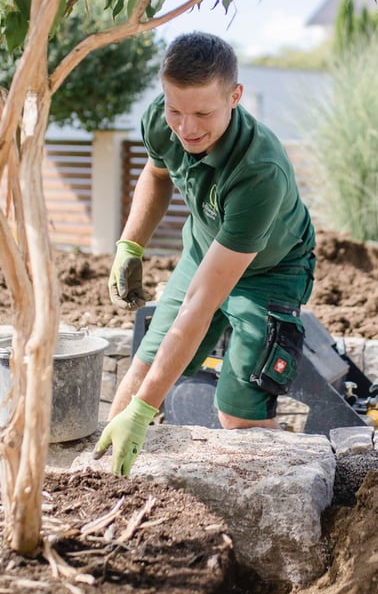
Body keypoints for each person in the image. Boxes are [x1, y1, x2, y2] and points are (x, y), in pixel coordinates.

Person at [93, 32, 316, 475]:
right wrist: (130, 245)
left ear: (235, 96)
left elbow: (200, 304)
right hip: (204, 249)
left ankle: (277, 495)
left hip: (270, 269)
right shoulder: (164, 119)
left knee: (238, 410)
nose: (187, 128)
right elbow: (156, 176)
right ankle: (102, 482)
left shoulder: (259, 170)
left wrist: (143, 414)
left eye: (202, 113)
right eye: (176, 109)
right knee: (141, 374)